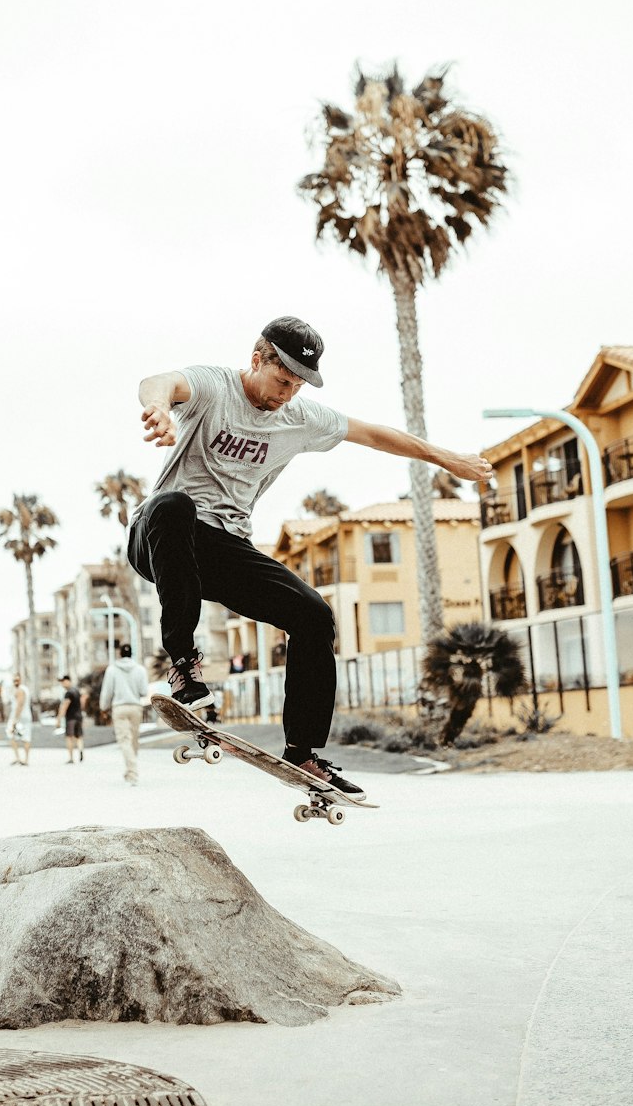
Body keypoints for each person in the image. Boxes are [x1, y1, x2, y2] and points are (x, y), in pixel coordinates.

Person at [129, 315, 493, 801]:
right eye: (282, 380)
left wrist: (449, 459)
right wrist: (158, 408)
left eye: (297, 385)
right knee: (175, 504)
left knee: (314, 616)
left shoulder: (299, 418)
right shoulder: (214, 387)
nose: (287, 394)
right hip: (159, 536)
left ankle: (303, 752)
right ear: (257, 359)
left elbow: (376, 435)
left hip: (225, 547)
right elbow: (160, 382)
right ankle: (184, 666)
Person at [99, 643, 149, 785]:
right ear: (131, 654)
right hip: (135, 707)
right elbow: (144, 691)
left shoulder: (112, 670)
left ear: (119, 654)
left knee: (125, 740)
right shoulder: (140, 670)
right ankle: (130, 769)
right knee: (133, 740)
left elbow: (107, 691)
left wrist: (103, 707)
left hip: (119, 708)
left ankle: (132, 772)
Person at [56, 675, 84, 764]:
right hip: (79, 716)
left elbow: (64, 706)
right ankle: (80, 749)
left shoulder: (68, 693)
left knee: (69, 737)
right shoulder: (77, 691)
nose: (62, 684)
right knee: (79, 736)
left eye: (63, 682)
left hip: (71, 718)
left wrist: (59, 719)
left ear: (68, 681)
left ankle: (71, 758)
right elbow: (82, 703)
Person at [6, 673, 33, 766]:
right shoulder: (24, 689)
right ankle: (22, 758)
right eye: (14, 680)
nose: (15, 682)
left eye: (17, 680)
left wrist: (15, 719)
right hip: (26, 716)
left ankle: (21, 758)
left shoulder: (20, 690)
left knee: (13, 734)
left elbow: (19, 705)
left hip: (20, 717)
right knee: (24, 736)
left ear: (20, 680)